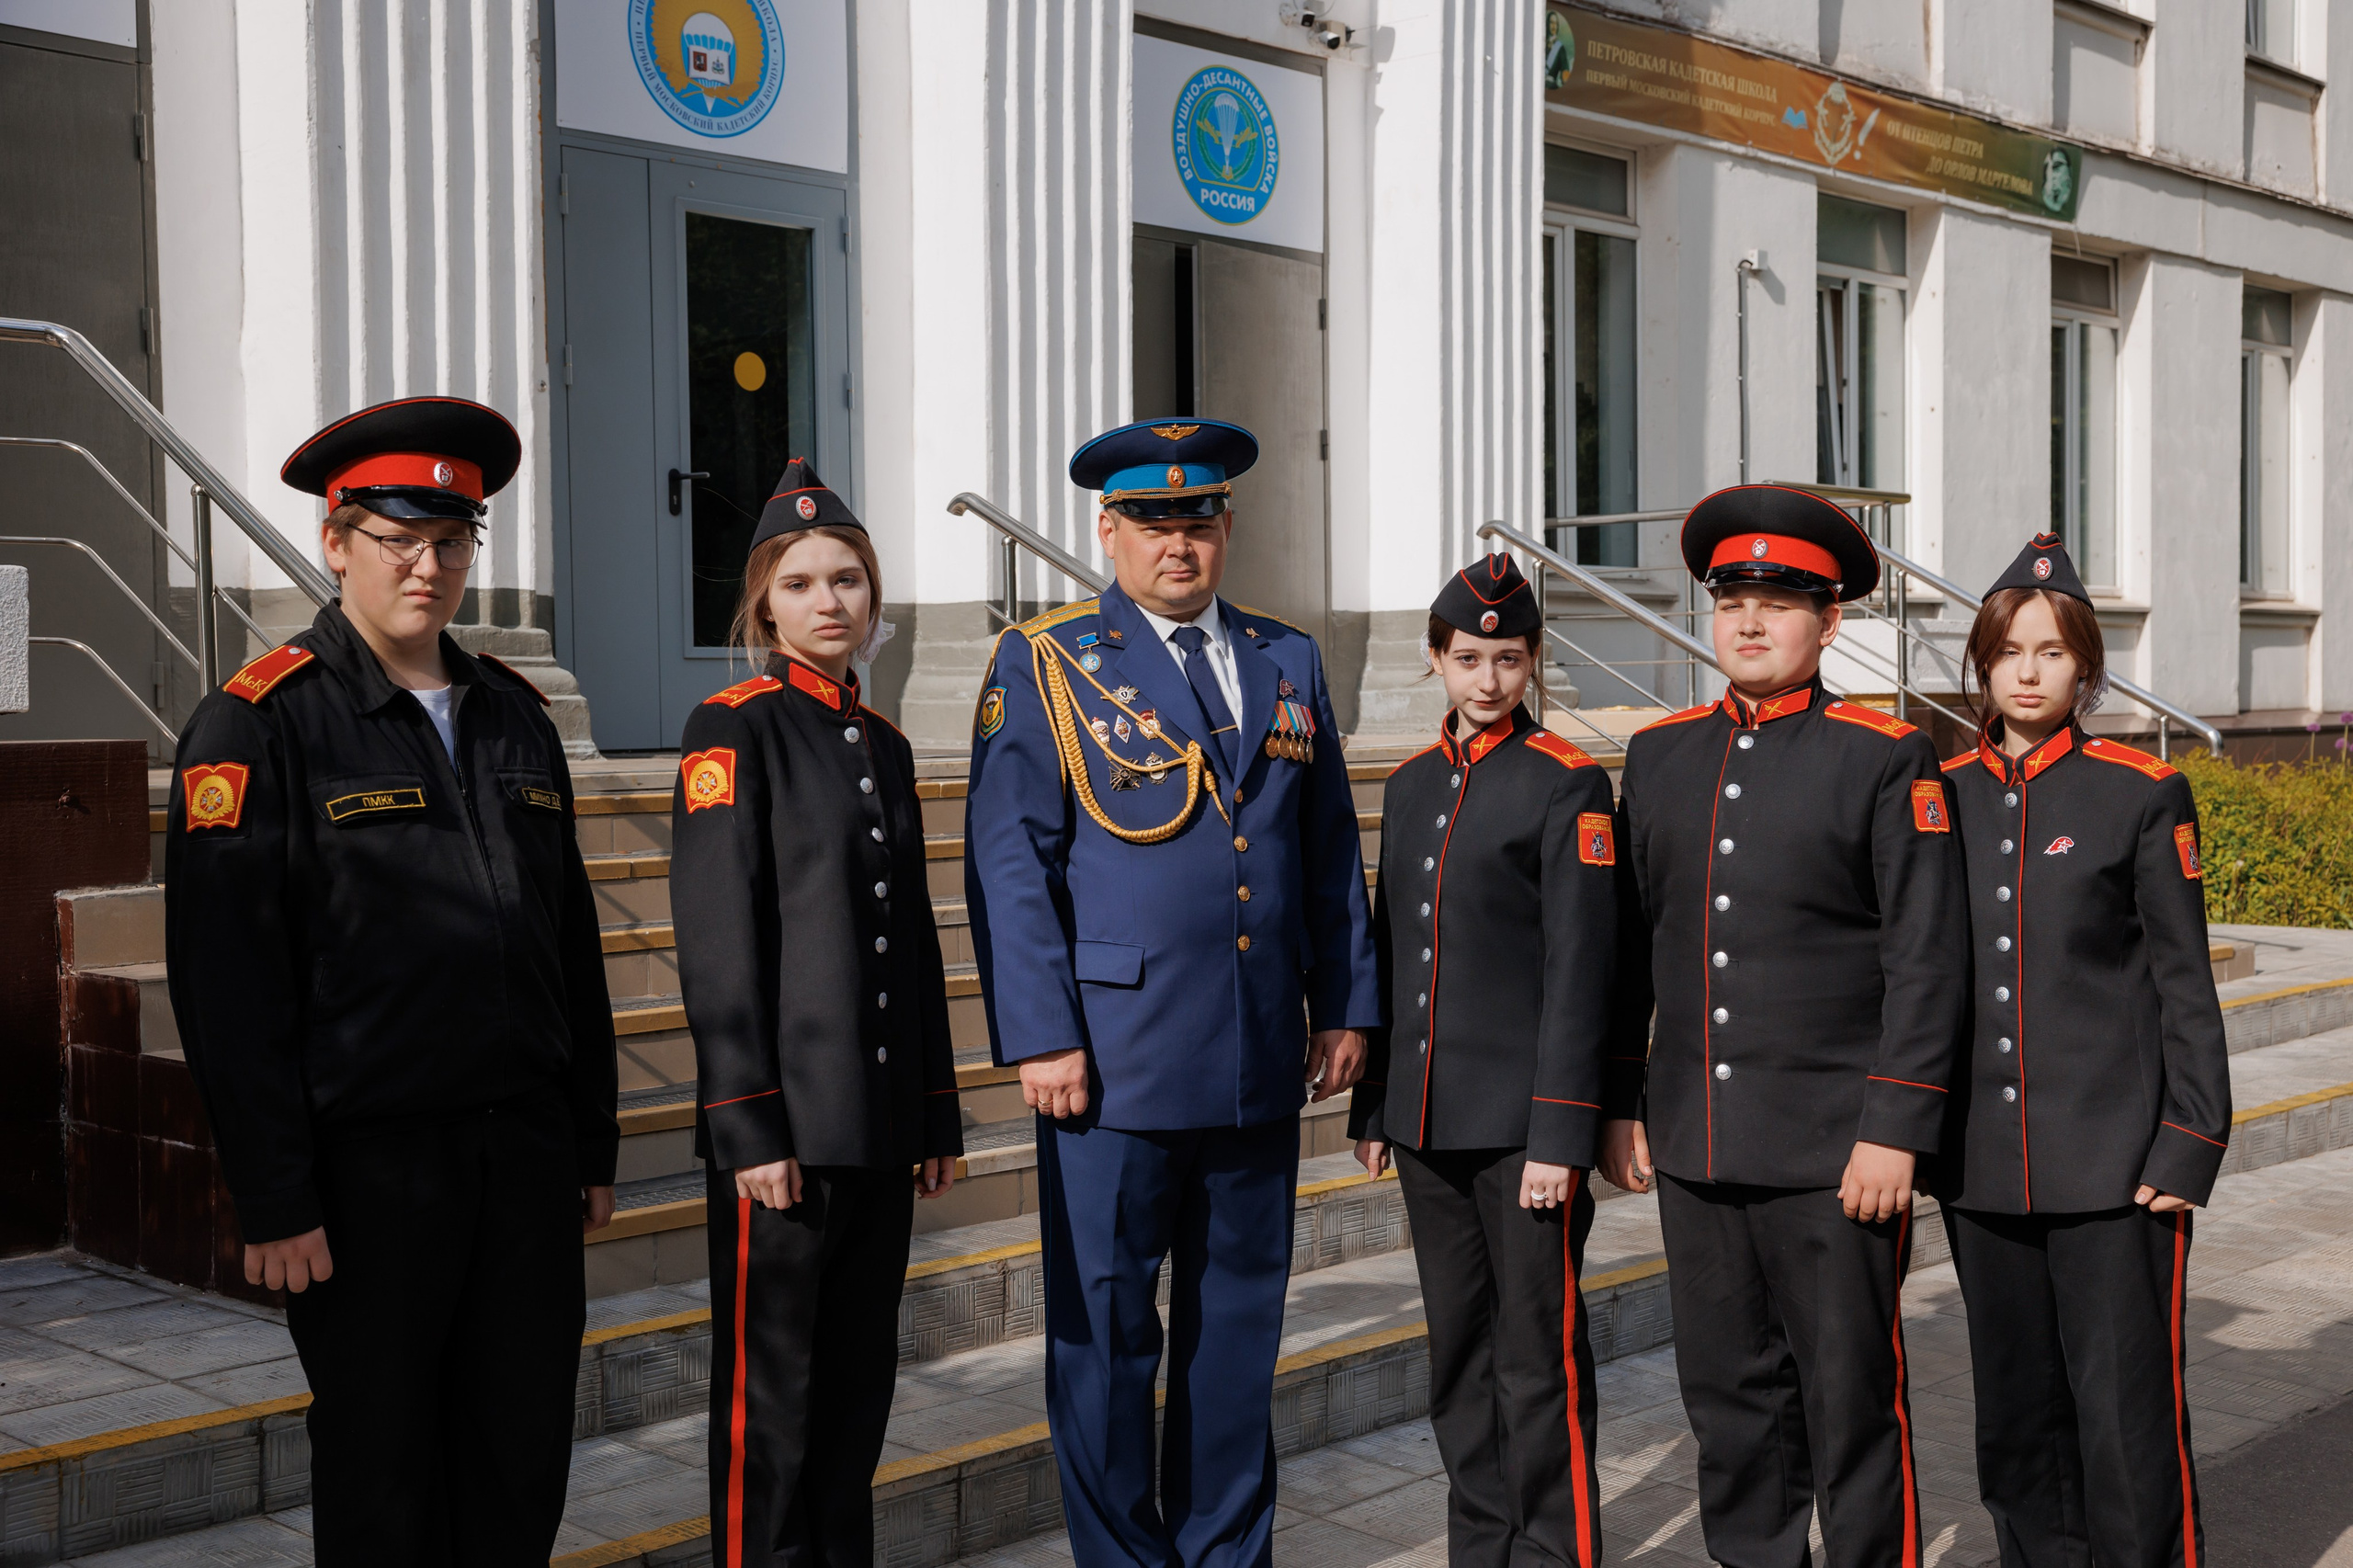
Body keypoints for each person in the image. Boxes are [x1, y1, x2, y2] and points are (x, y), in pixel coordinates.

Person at [164, 397, 619, 1562]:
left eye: (453, 541)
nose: (429, 567)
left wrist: (590, 1145)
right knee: (382, 1475)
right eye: (398, 539)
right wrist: (273, 1193)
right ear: (334, 539)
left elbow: (570, 945)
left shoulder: (515, 716)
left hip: (520, 1157)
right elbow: (227, 981)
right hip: (369, 1177)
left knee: (519, 1459)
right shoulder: (258, 723)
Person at [963, 417, 1381, 1567]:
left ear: (1227, 527)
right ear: (1109, 530)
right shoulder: (1046, 660)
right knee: (1104, 1336)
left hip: (1255, 1055)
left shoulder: (1286, 658)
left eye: (1197, 519)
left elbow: (1328, 846)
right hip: (1111, 1064)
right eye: (1152, 521)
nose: (1178, 542)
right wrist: (1041, 1034)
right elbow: (1012, 861)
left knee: (1236, 1334)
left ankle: (1224, 1551)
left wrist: (1345, 1003)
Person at [1598, 484, 1970, 1568]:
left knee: (1851, 1400)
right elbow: (1638, 948)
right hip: (1699, 1136)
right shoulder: (1660, 754)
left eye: (1779, 601)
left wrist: (1895, 1125)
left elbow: (1925, 955)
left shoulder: (1885, 756)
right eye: (1732, 600)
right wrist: (1624, 1098)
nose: (1750, 622)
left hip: (1835, 1148)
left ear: (1830, 621)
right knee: (1727, 1400)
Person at [670, 460, 963, 1568]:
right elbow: (717, 940)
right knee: (774, 1413)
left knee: (854, 1403)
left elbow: (914, 939)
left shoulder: (880, 743)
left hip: (877, 1125)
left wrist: (934, 1111)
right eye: (801, 584)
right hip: (784, 1134)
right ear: (763, 604)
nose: (829, 601)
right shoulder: (730, 727)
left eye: (848, 580)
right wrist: (747, 1124)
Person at [1928, 533, 2230, 1568]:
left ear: (2085, 666)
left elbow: (2183, 980)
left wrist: (2188, 1139)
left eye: (2050, 651)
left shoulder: (2139, 791)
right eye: (2008, 649)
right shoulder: (1942, 792)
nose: (2026, 670)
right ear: (1981, 660)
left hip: (2115, 1166)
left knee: (2124, 1415)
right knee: (2016, 1414)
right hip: (1980, 1165)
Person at [1348, 551, 1619, 1568]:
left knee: (1535, 1358)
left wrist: (1563, 1132)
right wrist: (1374, 1102)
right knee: (1459, 1357)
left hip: (1521, 1134)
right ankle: (1482, 1547)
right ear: (1436, 659)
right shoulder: (1412, 782)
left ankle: (1554, 1551)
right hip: (1425, 1122)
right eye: (1468, 657)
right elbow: (1392, 946)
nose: (1489, 678)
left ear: (1533, 659)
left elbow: (1582, 967)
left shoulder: (1567, 782)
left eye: (1508, 658)